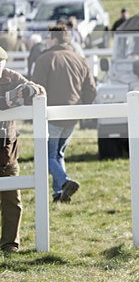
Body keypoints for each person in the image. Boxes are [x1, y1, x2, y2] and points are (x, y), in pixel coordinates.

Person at [31, 25, 96, 203]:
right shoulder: (79, 59)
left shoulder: (45, 59)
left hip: (51, 115)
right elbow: (91, 90)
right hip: (72, 115)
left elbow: (36, 89)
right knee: (58, 154)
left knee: (47, 155)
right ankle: (59, 193)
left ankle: (64, 182)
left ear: (52, 39)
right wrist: (81, 107)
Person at [0, 47, 45, 253]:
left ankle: (10, 244)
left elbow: (39, 90)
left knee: (12, 199)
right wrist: (11, 99)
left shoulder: (12, 77)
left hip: (6, 151)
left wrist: (28, 91)